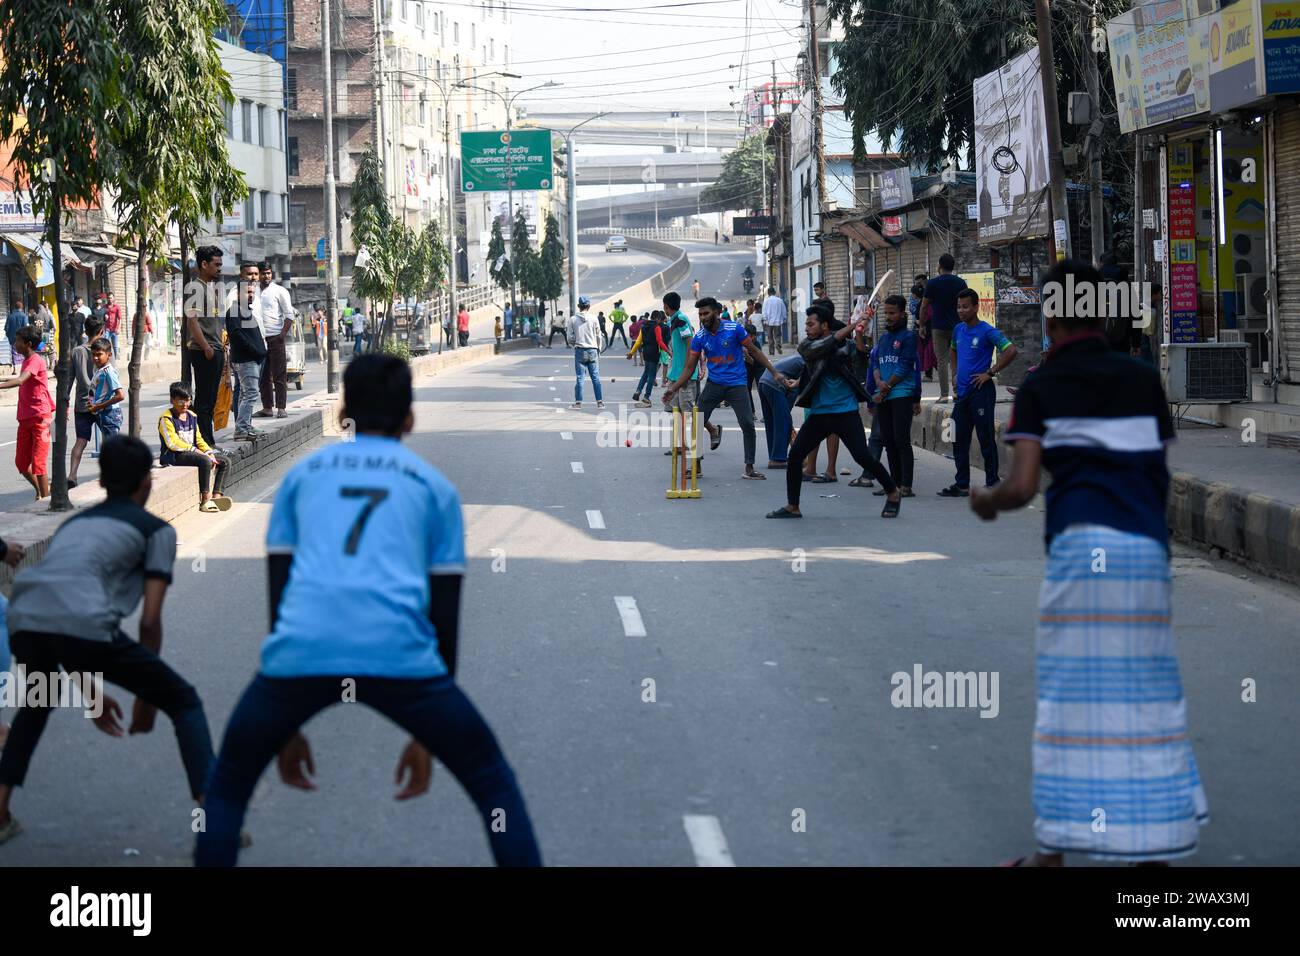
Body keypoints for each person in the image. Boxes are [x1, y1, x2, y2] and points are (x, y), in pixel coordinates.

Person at [195, 355, 541, 867]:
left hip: (298, 660)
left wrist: (283, 720)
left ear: (342, 414)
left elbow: (281, 595)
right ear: (410, 418)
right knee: (495, 788)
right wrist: (429, 728)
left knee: (226, 788)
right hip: (404, 664)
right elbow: (444, 616)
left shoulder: (302, 478)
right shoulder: (434, 489)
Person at [971, 260, 1208, 867]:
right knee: (1146, 695)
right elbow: (1155, 473)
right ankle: (1153, 850)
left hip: (1082, 553)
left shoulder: (1041, 388)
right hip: (1146, 553)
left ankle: (1055, 853)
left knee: (1072, 702)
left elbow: (1022, 487)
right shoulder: (1141, 379)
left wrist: (987, 499)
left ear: (1050, 318)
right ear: (1104, 312)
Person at [0, 435, 217, 848]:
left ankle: (0, 810)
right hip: (81, 627)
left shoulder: (75, 525)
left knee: (37, 704)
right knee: (184, 701)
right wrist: (146, 700)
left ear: (103, 481)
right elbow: (149, 622)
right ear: (146, 483)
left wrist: (93, 696)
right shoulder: (156, 531)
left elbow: (56, 617)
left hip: (24, 619)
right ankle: (214, 816)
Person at [767, 307, 901, 519]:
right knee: (795, 456)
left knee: (862, 457)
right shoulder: (807, 345)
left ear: (825, 325)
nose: (806, 328)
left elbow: (859, 355)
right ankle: (793, 506)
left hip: (845, 412)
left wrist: (859, 330)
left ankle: (893, 492)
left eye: (811, 324)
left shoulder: (845, 347)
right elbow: (819, 351)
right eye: (806, 324)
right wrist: (853, 324)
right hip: (820, 414)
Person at [662, 297, 792, 481]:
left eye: (706, 313)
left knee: (747, 424)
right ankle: (696, 465)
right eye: (700, 314)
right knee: (697, 421)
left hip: (737, 384)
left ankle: (749, 467)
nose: (703, 317)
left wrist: (775, 372)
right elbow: (689, 367)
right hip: (714, 385)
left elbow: (754, 350)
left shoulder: (734, 329)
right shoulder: (700, 336)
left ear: (716, 312)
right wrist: (673, 388)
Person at [937, 288, 1019, 497]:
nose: (961, 311)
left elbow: (1011, 350)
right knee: (956, 436)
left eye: (965, 306)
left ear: (976, 307)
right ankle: (962, 484)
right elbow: (953, 350)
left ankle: (993, 481)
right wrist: (954, 374)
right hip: (962, 394)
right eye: (958, 307)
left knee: (985, 438)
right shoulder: (958, 330)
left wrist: (990, 373)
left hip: (982, 392)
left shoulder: (987, 331)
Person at [159, 382, 232, 513]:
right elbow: (172, 443)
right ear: (172, 400)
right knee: (204, 461)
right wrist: (197, 452)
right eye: (180, 401)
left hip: (192, 453)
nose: (185, 404)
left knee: (225, 461)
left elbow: (198, 439)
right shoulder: (166, 419)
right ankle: (205, 499)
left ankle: (217, 496)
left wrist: (209, 452)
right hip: (174, 456)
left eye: (187, 400)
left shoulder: (192, 416)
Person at [0, 326, 54, 500]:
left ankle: (46, 502)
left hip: (40, 417)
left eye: (18, 341)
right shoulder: (25, 360)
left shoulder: (36, 360)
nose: (15, 344)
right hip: (25, 418)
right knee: (21, 463)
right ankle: (42, 491)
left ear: (28, 344)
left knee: (39, 464)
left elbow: (21, 380)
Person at [872, 295, 918, 496]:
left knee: (901, 440)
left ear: (902, 313)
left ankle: (905, 485)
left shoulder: (908, 337)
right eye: (886, 313)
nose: (888, 317)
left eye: (892, 313)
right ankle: (893, 484)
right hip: (883, 395)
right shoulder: (883, 338)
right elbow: (876, 363)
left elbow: (905, 365)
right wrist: (879, 383)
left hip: (901, 394)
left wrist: (887, 386)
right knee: (888, 441)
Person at [185, 244, 228, 447]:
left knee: (211, 400)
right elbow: (192, 321)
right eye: (216, 264)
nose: (219, 268)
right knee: (204, 401)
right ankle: (204, 442)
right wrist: (207, 347)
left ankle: (207, 440)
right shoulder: (195, 288)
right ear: (204, 264)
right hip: (205, 351)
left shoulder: (210, 288)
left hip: (215, 348)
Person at [227, 261, 268, 442]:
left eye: (252, 292)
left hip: (253, 359)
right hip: (246, 360)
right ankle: (242, 429)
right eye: (247, 292)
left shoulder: (246, 310)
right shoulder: (234, 310)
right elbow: (236, 336)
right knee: (250, 394)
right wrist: (255, 352)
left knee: (246, 394)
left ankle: (246, 425)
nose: (250, 295)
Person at [920, 253, 964, 402]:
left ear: (939, 266)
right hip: (958, 326)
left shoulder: (932, 283)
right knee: (956, 359)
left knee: (942, 360)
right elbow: (965, 304)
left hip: (938, 327)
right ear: (953, 267)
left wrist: (921, 325)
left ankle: (944, 395)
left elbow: (924, 306)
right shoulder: (960, 283)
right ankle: (958, 392)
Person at [68, 315, 105, 488]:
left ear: (85, 331)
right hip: (102, 403)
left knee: (80, 440)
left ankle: (72, 475)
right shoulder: (104, 350)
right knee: (109, 439)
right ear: (101, 331)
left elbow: (68, 380)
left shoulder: (76, 351)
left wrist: (65, 402)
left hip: (82, 403)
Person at [255, 262, 295, 421]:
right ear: (258, 274)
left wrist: (281, 335)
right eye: (263, 273)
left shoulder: (280, 291)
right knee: (263, 376)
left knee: (279, 374)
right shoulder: (253, 291)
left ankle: (281, 408)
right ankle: (267, 408)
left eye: (269, 273)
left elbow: (289, 315)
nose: (266, 276)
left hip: (275, 338)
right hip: (258, 339)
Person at [759, 353, 804, 469]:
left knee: (772, 423)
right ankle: (778, 458)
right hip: (775, 385)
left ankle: (774, 456)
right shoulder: (806, 364)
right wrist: (786, 417)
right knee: (783, 422)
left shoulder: (796, 359)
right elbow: (793, 390)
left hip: (763, 382)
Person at [567, 296, 604, 409]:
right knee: (596, 378)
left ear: (579, 306)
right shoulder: (594, 318)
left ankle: (578, 403)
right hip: (593, 349)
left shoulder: (573, 319)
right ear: (588, 306)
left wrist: (575, 345)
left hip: (580, 350)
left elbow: (569, 337)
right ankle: (600, 402)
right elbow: (598, 335)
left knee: (580, 378)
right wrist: (599, 349)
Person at [86, 337, 125, 439]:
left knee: (112, 450)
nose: (95, 358)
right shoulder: (100, 370)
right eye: (93, 354)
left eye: (99, 354)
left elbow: (120, 396)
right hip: (103, 413)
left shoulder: (109, 372)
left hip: (110, 414)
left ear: (109, 355)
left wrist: (98, 406)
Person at [629, 309, 668, 406]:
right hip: (654, 352)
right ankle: (646, 396)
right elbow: (660, 341)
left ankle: (638, 390)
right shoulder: (657, 327)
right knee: (651, 375)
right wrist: (669, 351)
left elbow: (638, 342)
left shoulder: (644, 326)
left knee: (646, 373)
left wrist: (631, 352)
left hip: (645, 352)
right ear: (658, 318)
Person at [910, 279, 937, 381]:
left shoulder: (925, 303)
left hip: (927, 331)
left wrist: (920, 323)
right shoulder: (921, 302)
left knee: (929, 353)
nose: (912, 296)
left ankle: (928, 374)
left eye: (913, 294)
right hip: (925, 331)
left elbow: (928, 315)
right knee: (928, 353)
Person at [761, 286, 787, 355]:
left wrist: (764, 319)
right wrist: (784, 318)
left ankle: (771, 352)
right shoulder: (780, 300)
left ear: (768, 293)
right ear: (775, 293)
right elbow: (783, 310)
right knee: (777, 335)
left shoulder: (766, 301)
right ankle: (778, 344)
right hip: (778, 321)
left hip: (769, 322)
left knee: (770, 337)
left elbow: (764, 311)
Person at [5, 299, 29, 372]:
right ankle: (22, 368)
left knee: (14, 353)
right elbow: (26, 327)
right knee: (23, 352)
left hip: (13, 338)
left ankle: (15, 369)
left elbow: (6, 328)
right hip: (22, 338)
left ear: (15, 307)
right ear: (21, 307)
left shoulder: (10, 316)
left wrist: (9, 336)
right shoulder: (24, 316)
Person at [103, 291, 123, 358]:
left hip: (114, 329)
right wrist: (104, 317)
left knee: (115, 346)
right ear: (107, 299)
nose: (110, 299)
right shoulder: (104, 307)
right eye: (108, 298)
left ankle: (116, 359)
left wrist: (119, 328)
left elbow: (120, 318)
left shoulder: (117, 307)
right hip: (107, 329)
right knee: (106, 343)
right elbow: (102, 317)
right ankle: (107, 357)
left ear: (113, 298)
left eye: (111, 298)